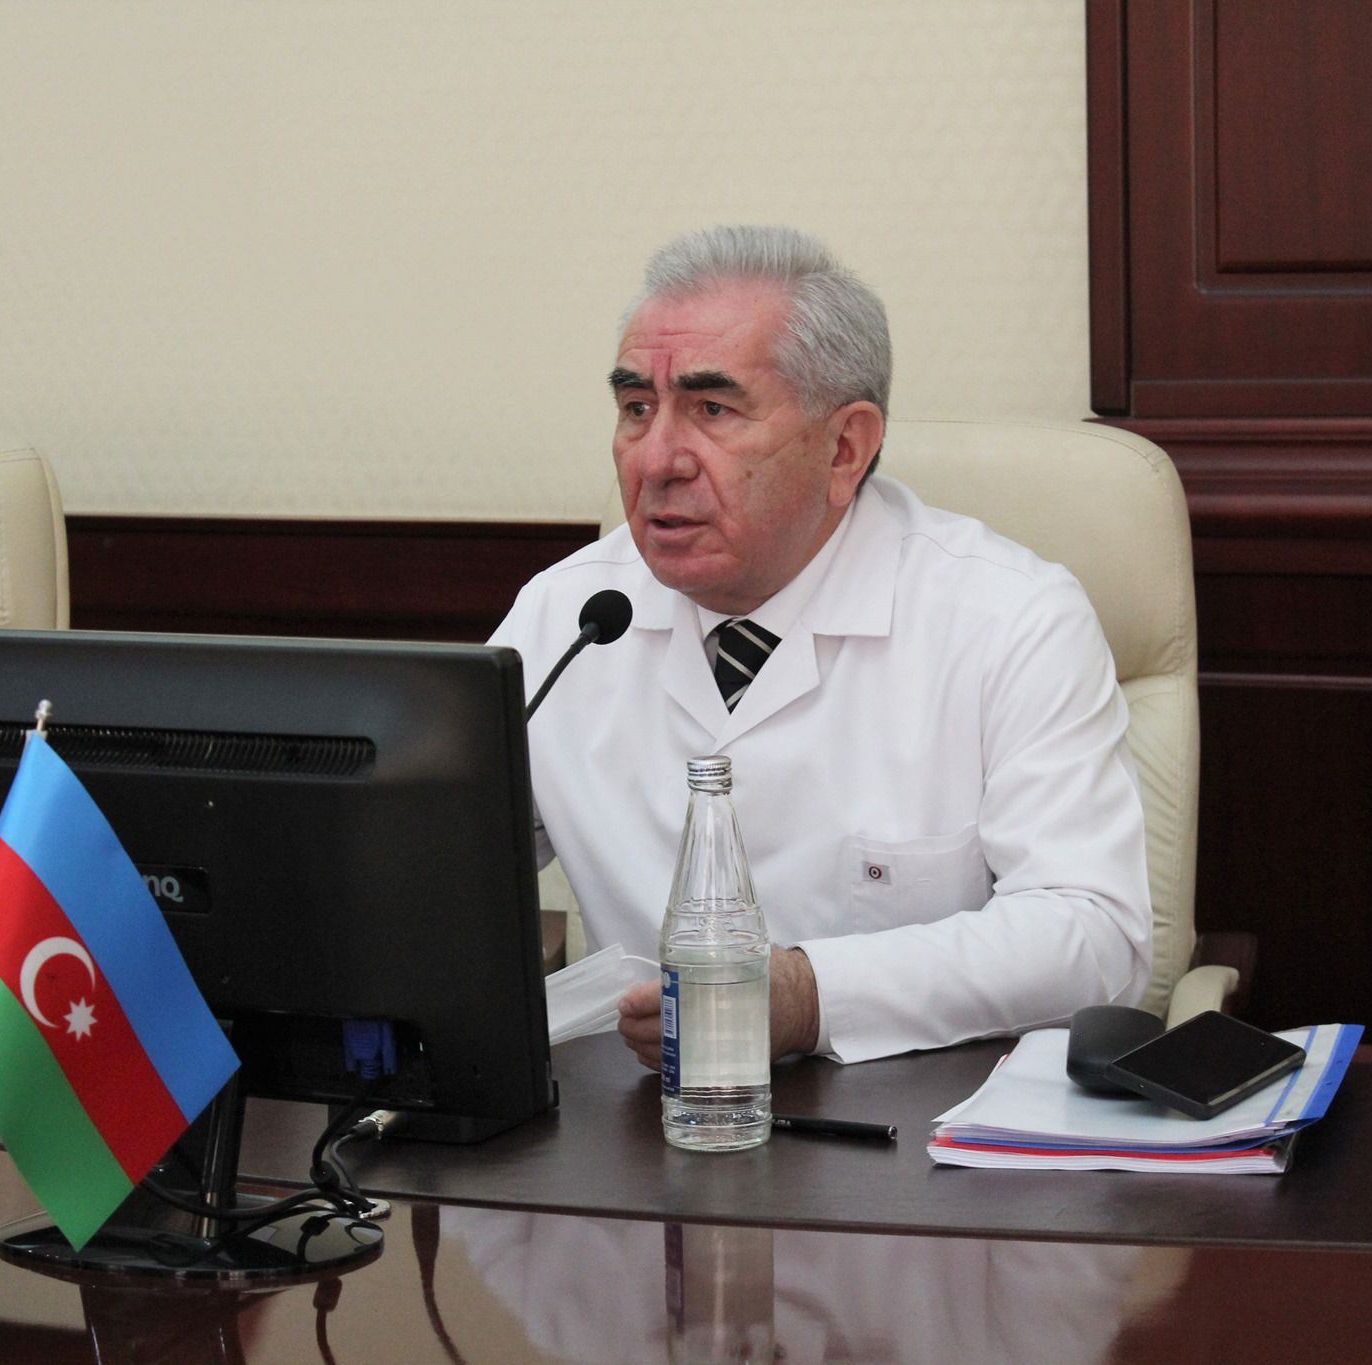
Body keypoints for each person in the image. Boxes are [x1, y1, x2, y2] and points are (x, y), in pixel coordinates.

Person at [488, 225, 1150, 1066]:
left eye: (712, 409)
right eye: (636, 409)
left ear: (845, 448)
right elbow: (438, 867)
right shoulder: (567, 615)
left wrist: (812, 996)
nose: (656, 460)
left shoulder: (1010, 619)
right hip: (647, 1119)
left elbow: (1095, 937)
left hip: (926, 1121)